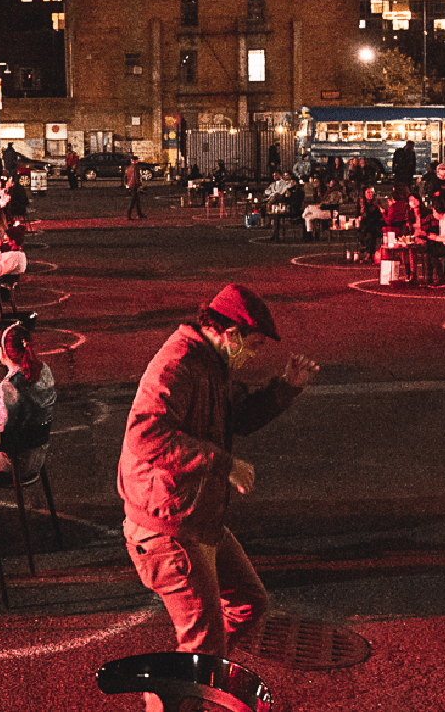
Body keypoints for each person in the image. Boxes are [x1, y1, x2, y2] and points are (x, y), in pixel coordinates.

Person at [119, 286, 317, 692]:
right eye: (255, 344)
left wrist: (286, 387)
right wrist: (222, 464)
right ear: (231, 332)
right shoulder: (178, 364)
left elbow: (237, 417)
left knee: (247, 602)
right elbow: (145, 434)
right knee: (202, 645)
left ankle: (190, 679)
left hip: (196, 516)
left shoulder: (214, 363)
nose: (255, 354)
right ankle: (184, 687)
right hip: (167, 526)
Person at [0, 317, 57, 482]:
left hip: (15, 461)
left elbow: (4, 429)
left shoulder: (10, 385)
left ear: (4, 352)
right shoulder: (44, 371)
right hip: (38, 456)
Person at [124, 155, 146, 220]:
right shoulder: (137, 168)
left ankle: (139, 214)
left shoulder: (128, 168)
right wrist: (140, 185)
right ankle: (129, 215)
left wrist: (127, 184)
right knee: (133, 200)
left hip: (131, 185)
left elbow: (125, 177)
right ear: (136, 161)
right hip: (135, 185)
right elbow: (137, 177)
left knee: (137, 200)